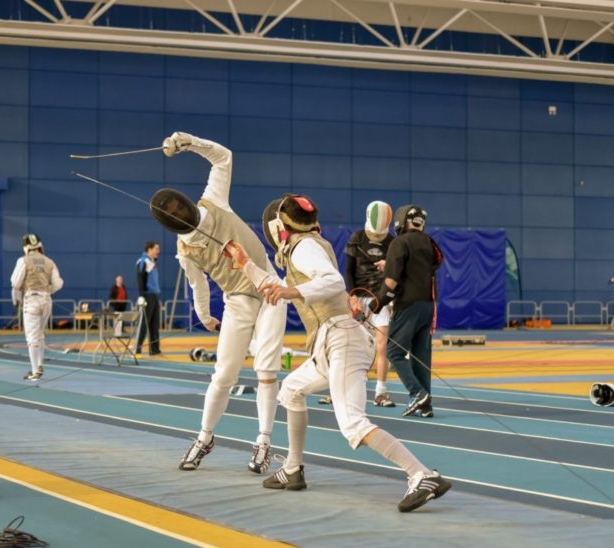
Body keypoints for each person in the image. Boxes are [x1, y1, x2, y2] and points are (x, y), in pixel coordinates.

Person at [224, 194, 450, 512]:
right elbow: (277, 284)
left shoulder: (304, 248)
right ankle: (292, 468)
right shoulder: (306, 247)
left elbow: (329, 281)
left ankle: (421, 474)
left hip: (341, 340)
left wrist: (291, 291)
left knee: (352, 423)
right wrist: (245, 264)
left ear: (278, 227)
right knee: (290, 390)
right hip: (330, 344)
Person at [151, 131, 287, 475]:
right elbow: (197, 285)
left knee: (266, 370)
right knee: (224, 374)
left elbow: (223, 156)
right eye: (172, 213)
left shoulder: (213, 199)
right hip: (239, 300)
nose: (179, 211)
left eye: (178, 205)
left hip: (271, 287)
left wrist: (187, 142)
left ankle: (264, 442)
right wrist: (205, 316)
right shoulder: (185, 250)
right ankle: (205, 436)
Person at [370, 205, 443, 418]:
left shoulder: (399, 242)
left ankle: (417, 392)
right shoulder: (429, 243)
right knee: (420, 356)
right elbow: (417, 268)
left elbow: (391, 282)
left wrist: (378, 303)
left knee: (394, 351)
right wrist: (391, 263)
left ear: (401, 222)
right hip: (428, 305)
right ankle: (426, 404)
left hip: (408, 305)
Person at [344, 200, 396, 407]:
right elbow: (348, 270)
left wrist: (386, 299)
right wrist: (352, 295)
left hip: (380, 300)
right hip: (358, 300)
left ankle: (381, 392)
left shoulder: (392, 242)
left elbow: (395, 275)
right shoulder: (356, 238)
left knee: (381, 346)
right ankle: (344, 388)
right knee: (351, 346)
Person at [10, 234, 63, 381]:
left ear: (26, 247)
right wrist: (46, 290)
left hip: (31, 300)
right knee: (39, 334)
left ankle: (35, 371)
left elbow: (15, 282)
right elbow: (58, 283)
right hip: (46, 301)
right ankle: (39, 365)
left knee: (32, 338)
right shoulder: (49, 262)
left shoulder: (23, 260)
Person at [135, 242, 161, 355]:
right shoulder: (143, 261)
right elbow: (140, 278)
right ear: (149, 249)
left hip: (155, 296)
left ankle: (154, 349)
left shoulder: (152, 261)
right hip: (147, 296)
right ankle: (138, 348)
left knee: (155, 324)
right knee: (144, 323)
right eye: (156, 248)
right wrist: (141, 296)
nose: (158, 251)